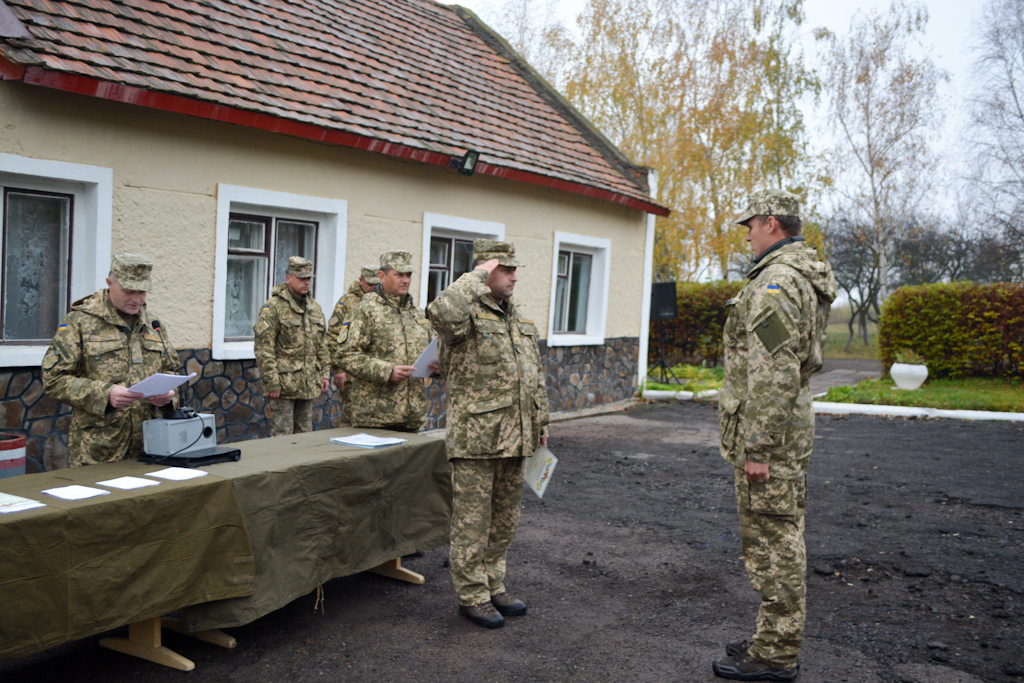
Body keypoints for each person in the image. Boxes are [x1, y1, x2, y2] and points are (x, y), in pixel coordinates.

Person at [713, 190, 837, 682]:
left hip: (772, 438)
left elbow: (774, 372)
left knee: (773, 544)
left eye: (751, 225)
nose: (747, 234)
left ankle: (776, 654)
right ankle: (772, 635)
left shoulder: (776, 284)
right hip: (786, 428)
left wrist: (758, 448)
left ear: (771, 223)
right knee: (778, 535)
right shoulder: (796, 274)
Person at [427, 239, 550, 629]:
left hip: (517, 437)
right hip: (477, 440)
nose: (514, 277)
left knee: (504, 520)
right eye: (505, 269)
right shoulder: (464, 316)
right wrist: (475, 276)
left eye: (515, 270)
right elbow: (440, 312)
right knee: (472, 523)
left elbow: (534, 378)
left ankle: (494, 584)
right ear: (484, 271)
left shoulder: (516, 317)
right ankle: (472, 595)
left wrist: (540, 425)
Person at [42, 253, 179, 467]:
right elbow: (54, 379)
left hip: (151, 447)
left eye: (142, 291)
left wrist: (169, 397)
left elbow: (172, 371)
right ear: (110, 284)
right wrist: (105, 394)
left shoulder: (154, 324)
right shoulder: (80, 322)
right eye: (128, 291)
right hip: (99, 451)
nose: (136, 299)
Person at [338, 251, 435, 432]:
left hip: (412, 416)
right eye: (399, 275)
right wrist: (387, 371)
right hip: (376, 418)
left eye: (409, 275)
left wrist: (438, 367)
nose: (405, 280)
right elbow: (346, 355)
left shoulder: (418, 314)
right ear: (382, 276)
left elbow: (430, 352)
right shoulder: (365, 310)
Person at [253, 256, 330, 436]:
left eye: (308, 278)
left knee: (304, 436)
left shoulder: (314, 308)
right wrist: (271, 381)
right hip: (283, 387)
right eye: (301, 278)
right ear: (288, 278)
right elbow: (264, 347)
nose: (306, 282)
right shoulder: (273, 307)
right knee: (282, 436)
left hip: (308, 383)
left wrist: (325, 373)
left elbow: (322, 344)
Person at [327, 264, 380, 427]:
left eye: (376, 284)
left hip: (375, 371)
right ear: (360, 280)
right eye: (369, 284)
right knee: (351, 415)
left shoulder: (382, 302)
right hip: (352, 373)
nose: (372, 288)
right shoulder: (347, 302)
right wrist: (338, 369)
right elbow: (334, 336)